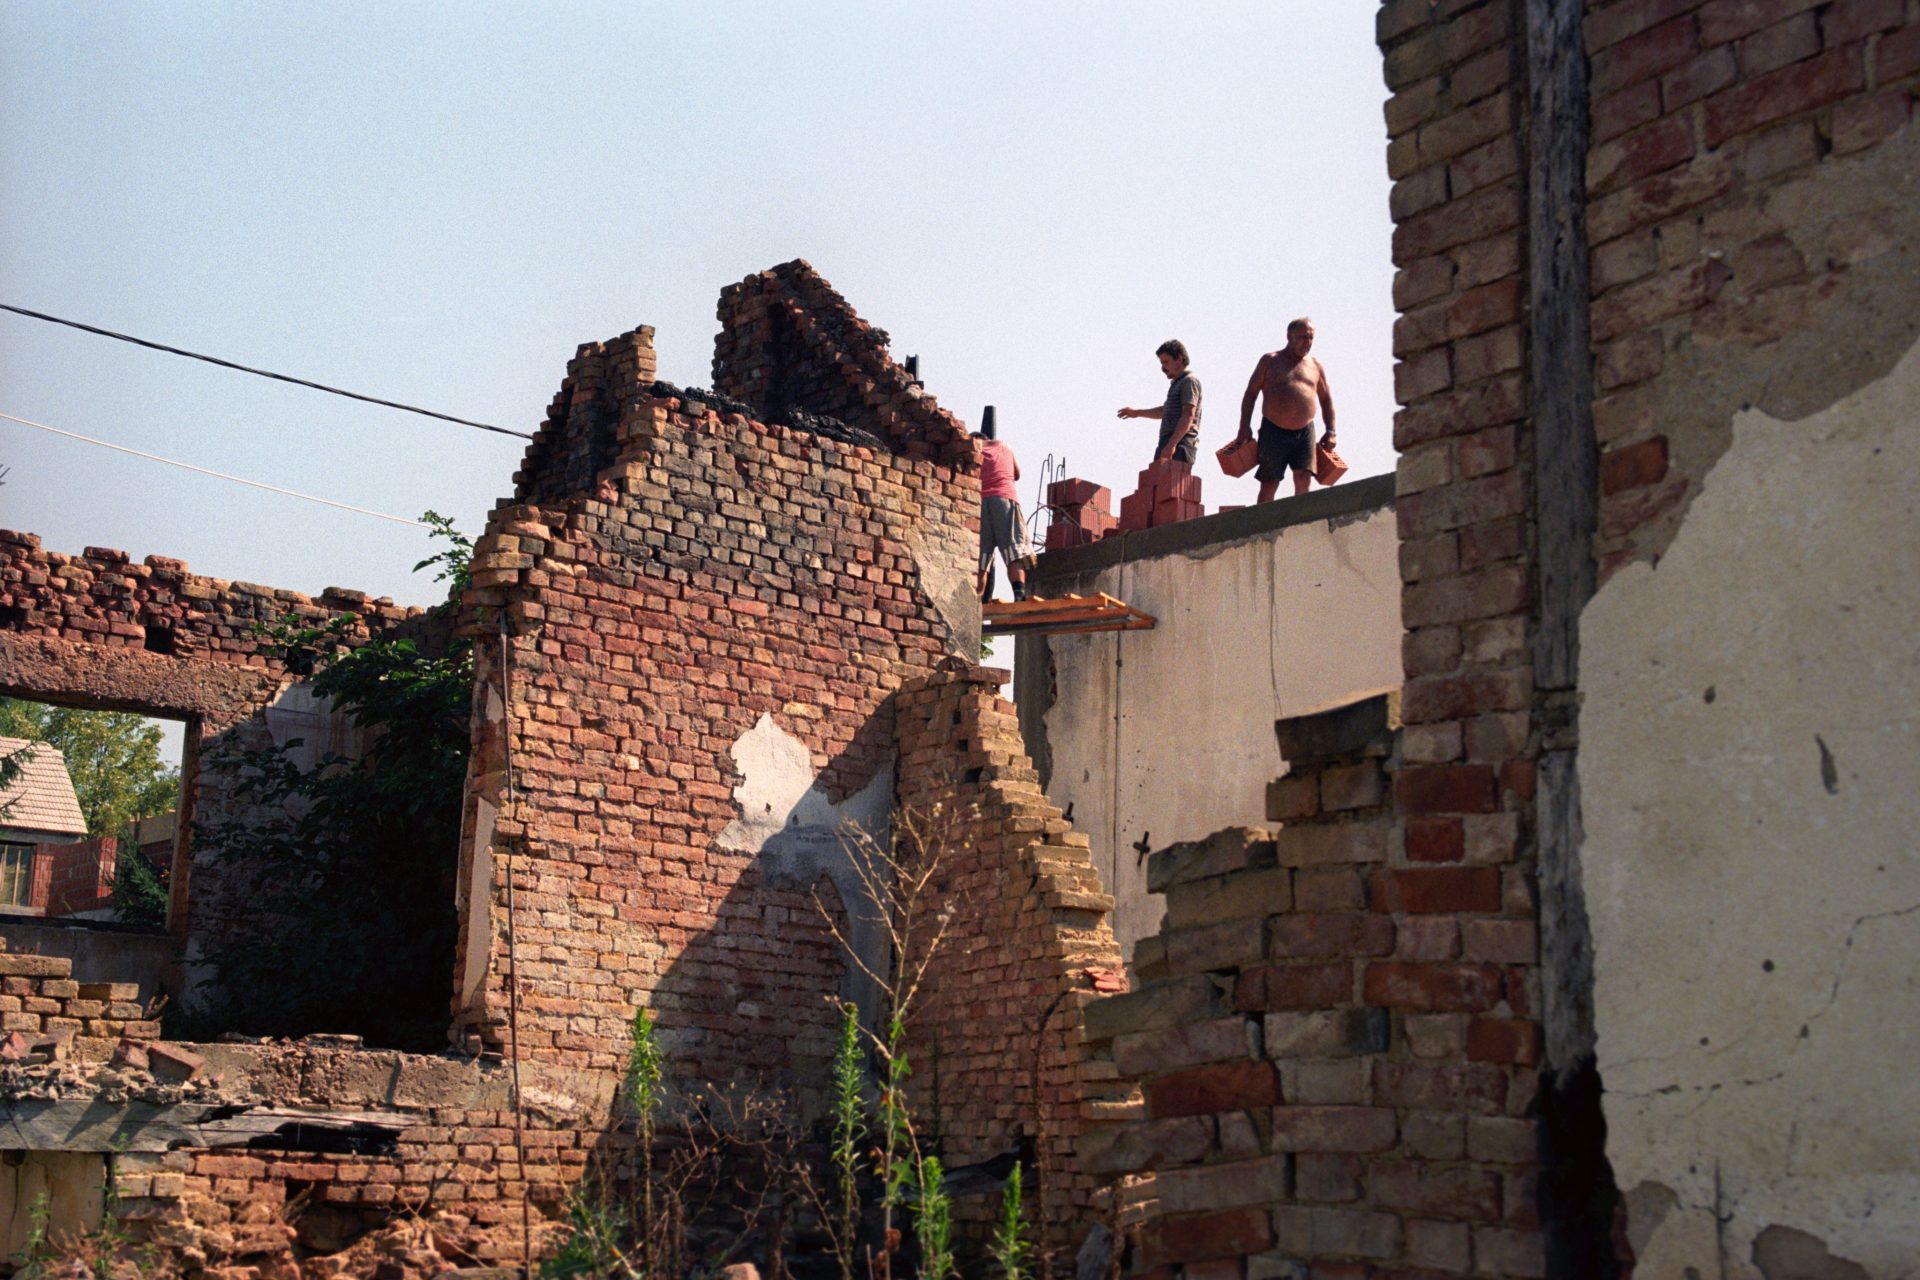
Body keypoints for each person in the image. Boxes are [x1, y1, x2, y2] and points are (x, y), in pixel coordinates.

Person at [1236, 317, 1337, 501]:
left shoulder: (1315, 366)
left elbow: (1326, 399)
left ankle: (1301, 524)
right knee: (1269, 482)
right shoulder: (1270, 361)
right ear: (1289, 336)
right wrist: (1244, 426)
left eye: (1311, 337)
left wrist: (1331, 431)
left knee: (1303, 479)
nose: (1307, 342)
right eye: (1303, 337)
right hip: (1273, 431)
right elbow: (1250, 393)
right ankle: (1264, 527)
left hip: (1305, 431)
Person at [975, 407, 1033, 601]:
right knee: (1012, 553)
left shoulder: (973, 450)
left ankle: (975, 603)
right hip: (1005, 502)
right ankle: (1019, 595)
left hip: (980, 505)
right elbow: (1017, 474)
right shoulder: (1004, 447)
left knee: (981, 561)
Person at [1115, 340, 1202, 465]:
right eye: (1161, 363)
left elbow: (1188, 415)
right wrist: (1137, 413)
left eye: (1166, 362)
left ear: (1179, 359)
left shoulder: (1189, 381)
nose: (1163, 368)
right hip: (1169, 441)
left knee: (1171, 481)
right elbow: (1164, 411)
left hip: (1181, 443)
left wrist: (1172, 445)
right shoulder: (1178, 383)